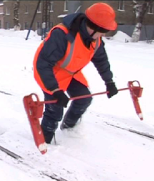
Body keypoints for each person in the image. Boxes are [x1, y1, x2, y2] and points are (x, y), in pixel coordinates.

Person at [33, 3, 119, 144]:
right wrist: (55, 90)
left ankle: (69, 129)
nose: (104, 34)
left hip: (70, 72)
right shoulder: (62, 35)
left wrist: (109, 82)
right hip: (49, 71)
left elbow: (101, 61)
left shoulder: (95, 40)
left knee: (84, 98)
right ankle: (44, 140)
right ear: (93, 27)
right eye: (103, 30)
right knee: (55, 108)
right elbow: (43, 64)